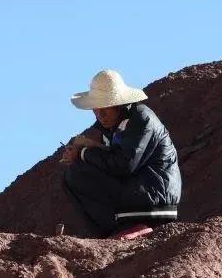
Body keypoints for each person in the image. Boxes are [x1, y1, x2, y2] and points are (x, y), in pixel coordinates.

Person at [61, 69, 181, 239]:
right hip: (142, 193)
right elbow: (118, 157)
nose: (100, 115)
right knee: (73, 174)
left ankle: (130, 226)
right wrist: (89, 148)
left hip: (155, 197)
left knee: (78, 173)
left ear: (118, 104)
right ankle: (111, 233)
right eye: (96, 110)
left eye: (105, 108)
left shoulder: (140, 118)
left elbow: (124, 165)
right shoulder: (117, 125)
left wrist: (84, 152)